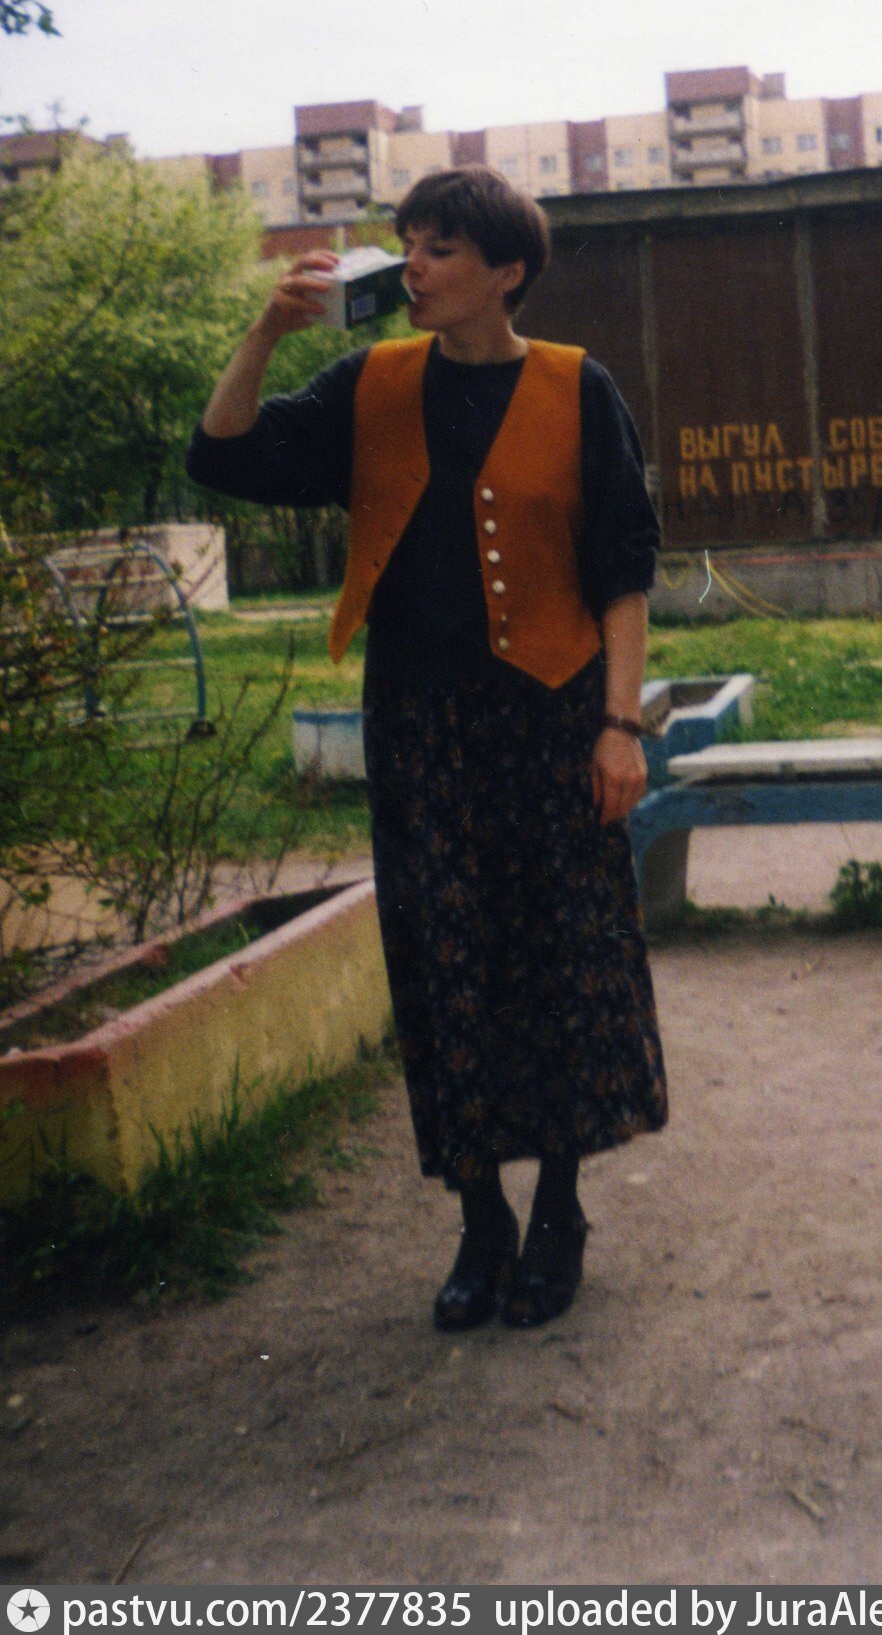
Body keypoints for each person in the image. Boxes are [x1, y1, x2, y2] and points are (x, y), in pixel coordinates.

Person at [187, 169, 668, 1331]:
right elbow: (225, 455)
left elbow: (623, 568)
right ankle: (480, 1218)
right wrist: (264, 333)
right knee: (444, 966)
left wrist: (619, 727)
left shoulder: (577, 385)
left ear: (506, 271)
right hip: (421, 726)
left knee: (557, 959)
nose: (413, 265)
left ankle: (558, 1212)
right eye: (408, 243)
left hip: (550, 721)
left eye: (440, 247)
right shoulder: (371, 382)